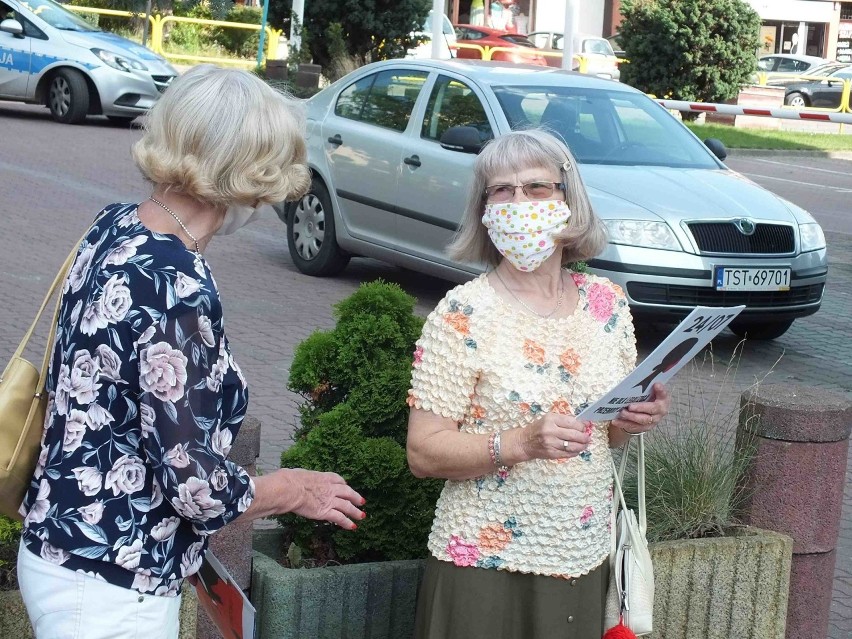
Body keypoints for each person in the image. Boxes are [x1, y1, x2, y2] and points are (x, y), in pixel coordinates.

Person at [16, 65, 366, 639]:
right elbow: (193, 482)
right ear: (250, 171)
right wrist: (294, 489)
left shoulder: (116, 224)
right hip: (111, 579)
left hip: (64, 542)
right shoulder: (175, 281)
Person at [406, 129, 670, 639]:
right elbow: (423, 452)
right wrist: (522, 443)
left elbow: (605, 435)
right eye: (501, 191)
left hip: (584, 551)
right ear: (483, 210)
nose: (518, 203)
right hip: (484, 563)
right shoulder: (463, 314)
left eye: (536, 188)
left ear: (569, 200)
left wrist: (633, 420)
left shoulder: (606, 305)